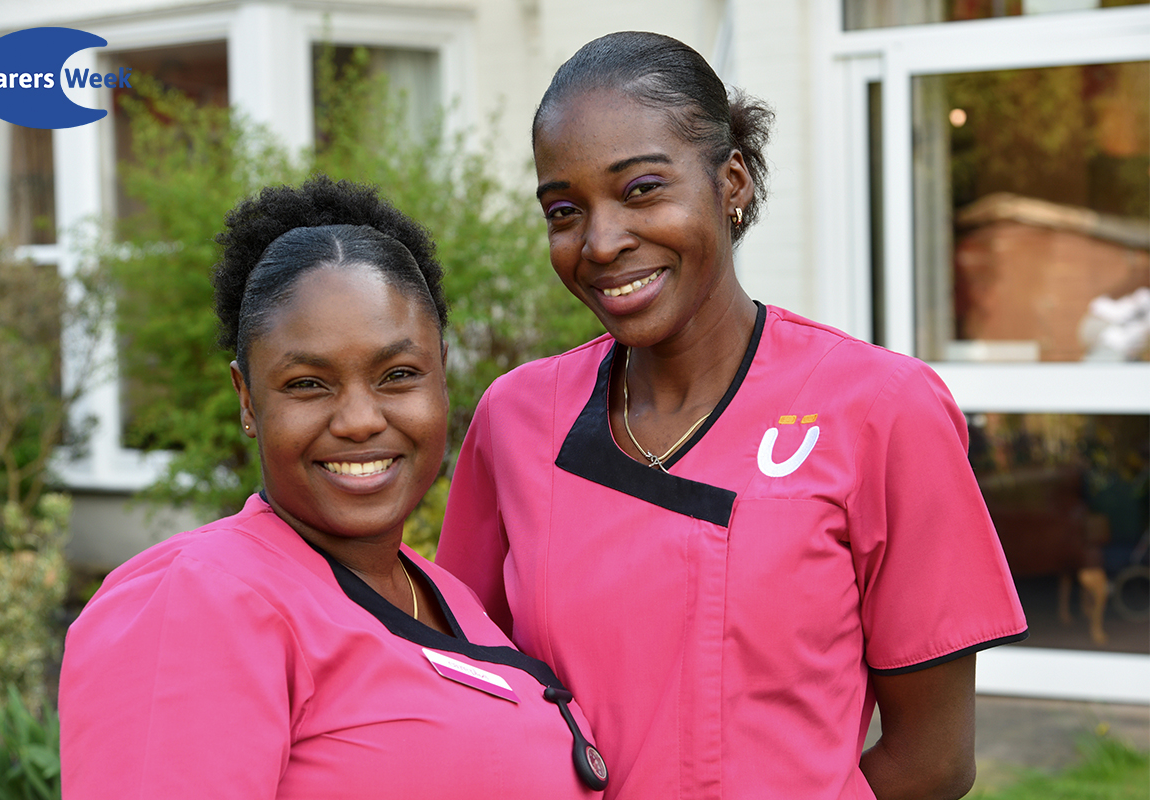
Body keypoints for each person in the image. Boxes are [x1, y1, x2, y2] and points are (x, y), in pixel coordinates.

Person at [435, 31, 1029, 800]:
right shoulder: (516, 419)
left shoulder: (880, 410)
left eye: (642, 188)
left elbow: (933, 759)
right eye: (564, 209)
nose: (602, 241)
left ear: (733, 183)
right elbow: (468, 692)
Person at [58, 176, 607, 799]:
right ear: (247, 396)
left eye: (398, 375)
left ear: (442, 376)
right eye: (308, 384)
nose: (359, 420)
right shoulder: (202, 599)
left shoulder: (451, 599)